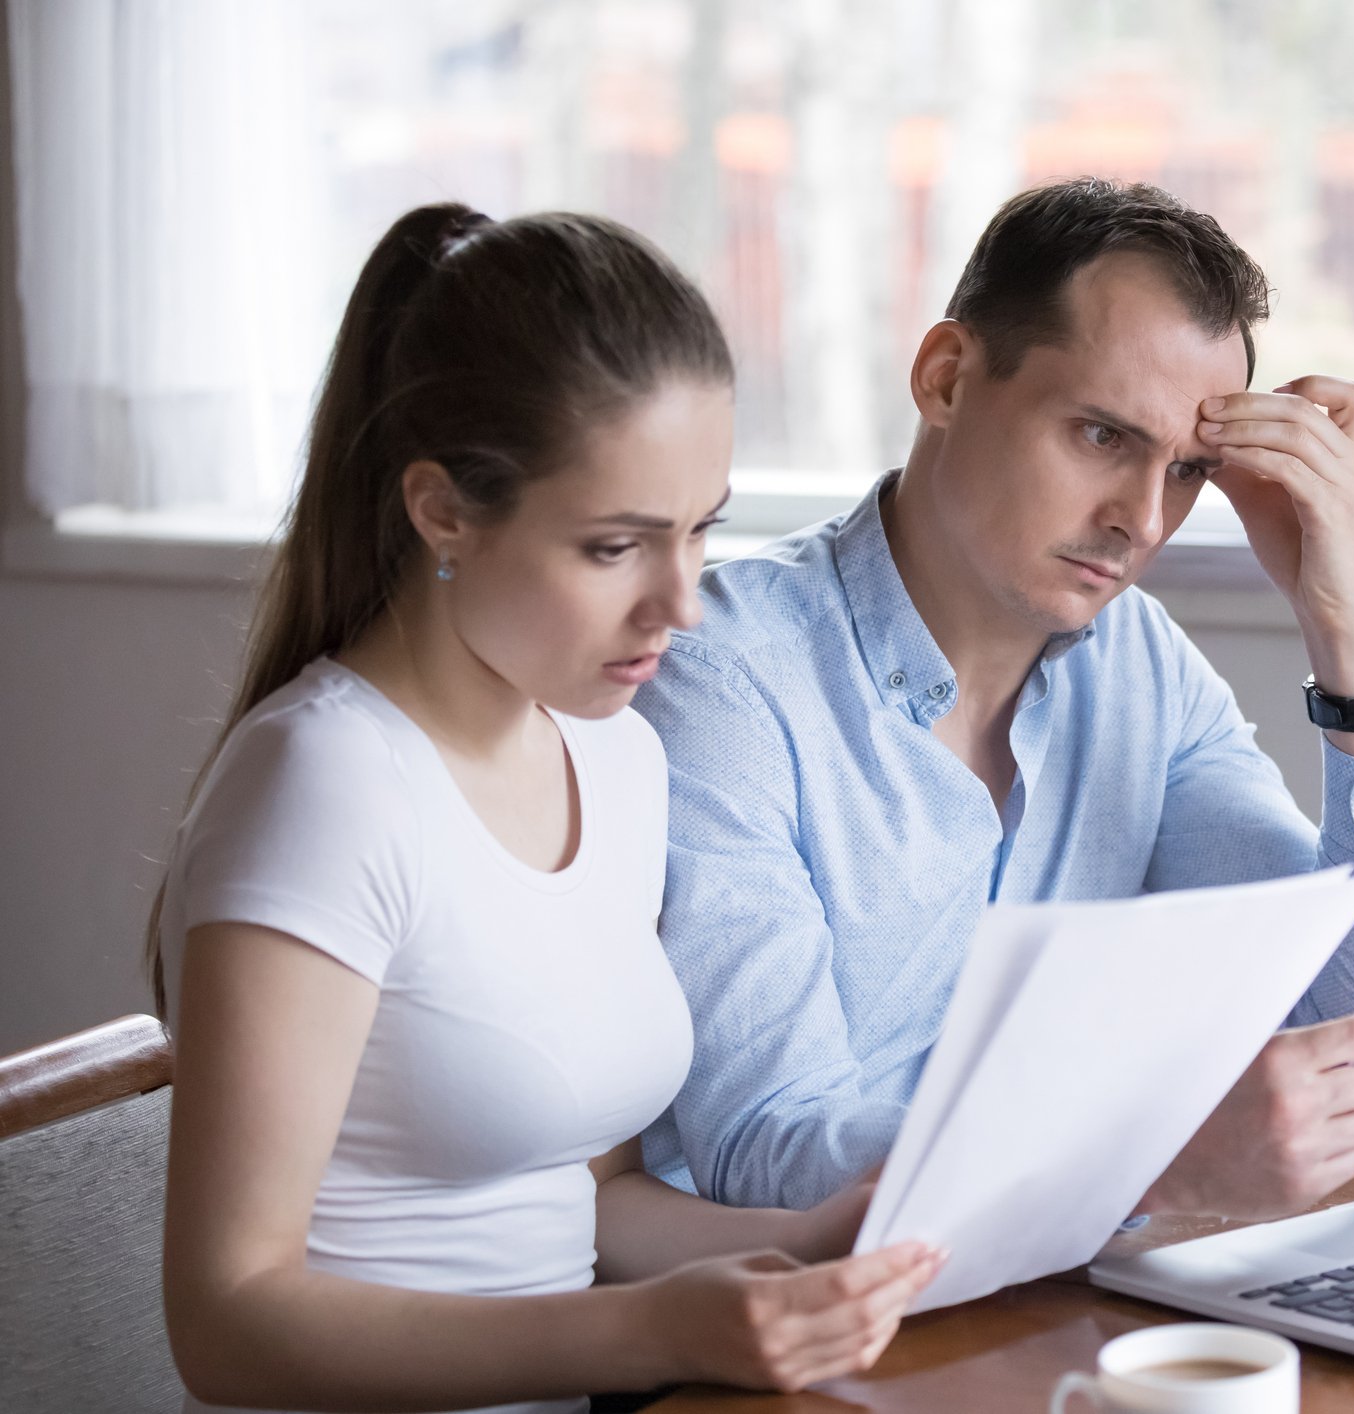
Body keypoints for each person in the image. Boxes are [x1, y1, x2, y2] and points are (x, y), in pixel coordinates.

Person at [154, 203, 941, 1414]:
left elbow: (589, 1197)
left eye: (702, 530)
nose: (681, 603)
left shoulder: (613, 754)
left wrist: (816, 1238)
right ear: (442, 511)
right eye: (616, 547)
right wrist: (645, 1334)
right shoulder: (325, 787)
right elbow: (228, 1319)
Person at [635, 177, 1354, 1219]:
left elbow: (1344, 1025)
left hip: (1064, 1276)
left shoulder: (1141, 665)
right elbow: (763, 1146)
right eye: (1102, 436)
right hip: (818, 1303)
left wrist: (1347, 631)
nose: (1143, 520)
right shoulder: (724, 681)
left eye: (1188, 471)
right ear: (946, 378)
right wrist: (1149, 1158)